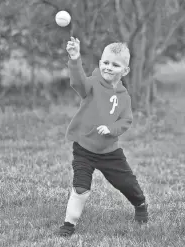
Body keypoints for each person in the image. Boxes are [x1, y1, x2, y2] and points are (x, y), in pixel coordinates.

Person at [59, 37, 148, 237]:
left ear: (125, 71)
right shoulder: (92, 84)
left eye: (115, 65)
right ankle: (68, 225)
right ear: (100, 64)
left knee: (126, 183)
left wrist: (111, 129)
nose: (109, 67)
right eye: (105, 63)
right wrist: (75, 58)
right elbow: (78, 83)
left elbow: (126, 121)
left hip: (109, 152)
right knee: (81, 187)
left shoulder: (125, 97)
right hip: (84, 148)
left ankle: (141, 204)